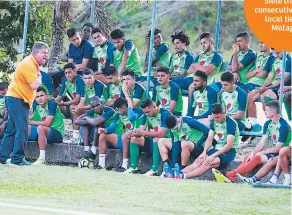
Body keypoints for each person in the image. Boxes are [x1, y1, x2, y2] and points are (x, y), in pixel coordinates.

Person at [213, 101, 291, 183]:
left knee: (257, 158)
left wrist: (262, 152)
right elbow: (262, 142)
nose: (264, 112)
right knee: (248, 156)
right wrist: (253, 152)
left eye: (266, 110)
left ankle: (230, 174)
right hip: (273, 152)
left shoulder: (283, 126)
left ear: (273, 112)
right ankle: (233, 176)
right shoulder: (268, 123)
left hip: (281, 154)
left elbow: (278, 148)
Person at [0, 41, 48, 166]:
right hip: (17, 99)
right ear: (36, 52)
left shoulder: (33, 64)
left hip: (16, 99)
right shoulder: (29, 64)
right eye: (44, 52)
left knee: (12, 129)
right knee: (22, 129)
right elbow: (35, 85)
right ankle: (17, 159)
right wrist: (39, 78)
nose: (46, 55)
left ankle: (2, 157)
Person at [175, 104, 239, 179]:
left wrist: (213, 156)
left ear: (223, 113)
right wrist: (204, 152)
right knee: (198, 160)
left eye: (217, 117)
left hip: (228, 152)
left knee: (207, 163)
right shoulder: (214, 121)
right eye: (214, 117)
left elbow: (228, 145)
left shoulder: (231, 123)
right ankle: (177, 173)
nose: (215, 119)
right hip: (216, 149)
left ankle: (183, 176)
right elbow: (209, 138)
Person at [126, 99, 172, 176]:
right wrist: (134, 133)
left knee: (157, 139)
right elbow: (141, 130)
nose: (146, 114)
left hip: (167, 142)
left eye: (148, 112)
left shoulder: (165, 114)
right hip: (154, 141)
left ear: (154, 106)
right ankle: (133, 168)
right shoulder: (146, 115)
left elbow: (161, 133)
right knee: (134, 139)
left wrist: (143, 132)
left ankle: (154, 170)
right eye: (145, 112)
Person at [96, 98, 144, 172]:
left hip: (137, 139)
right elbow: (112, 127)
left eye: (118, 110)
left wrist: (129, 107)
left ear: (123, 108)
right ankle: (101, 165)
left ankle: (124, 165)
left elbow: (132, 118)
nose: (117, 112)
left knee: (125, 136)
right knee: (103, 136)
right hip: (124, 139)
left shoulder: (138, 111)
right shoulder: (118, 115)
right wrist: (104, 130)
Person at [28, 87, 64, 164]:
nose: (40, 98)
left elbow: (47, 123)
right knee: (24, 127)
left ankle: (42, 158)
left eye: (42, 96)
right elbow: (28, 119)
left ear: (47, 96)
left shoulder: (52, 103)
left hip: (57, 133)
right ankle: (19, 155)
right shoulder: (36, 105)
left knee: (41, 128)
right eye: (37, 97)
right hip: (44, 132)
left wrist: (30, 122)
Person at [246, 42, 275, 125]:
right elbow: (247, 75)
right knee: (240, 97)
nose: (260, 45)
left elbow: (263, 74)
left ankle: (254, 125)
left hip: (259, 86)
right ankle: (249, 125)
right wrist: (256, 71)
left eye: (263, 43)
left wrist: (254, 73)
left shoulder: (271, 58)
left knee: (248, 98)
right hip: (250, 84)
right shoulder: (259, 58)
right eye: (260, 42)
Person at [55, 63, 84, 144]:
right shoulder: (65, 81)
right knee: (54, 105)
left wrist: (64, 103)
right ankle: (57, 130)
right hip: (73, 105)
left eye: (70, 72)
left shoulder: (80, 80)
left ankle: (75, 137)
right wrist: (49, 101)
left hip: (86, 105)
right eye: (66, 73)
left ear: (75, 72)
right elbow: (59, 97)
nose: (67, 75)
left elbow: (77, 100)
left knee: (73, 107)